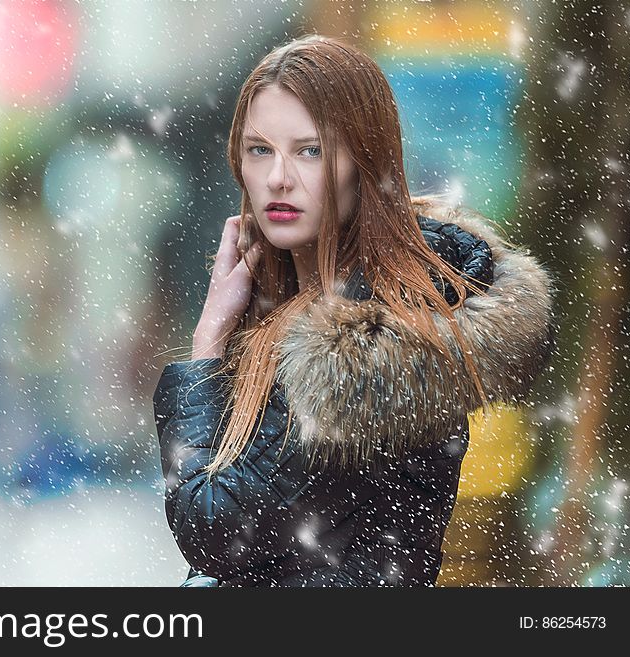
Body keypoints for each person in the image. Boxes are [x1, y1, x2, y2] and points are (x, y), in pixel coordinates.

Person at [152, 35, 557, 587]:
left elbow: (214, 532)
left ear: (363, 163)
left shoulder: (365, 346)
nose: (278, 177)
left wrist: (206, 344)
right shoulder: (293, 317)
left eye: (310, 150)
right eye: (260, 149)